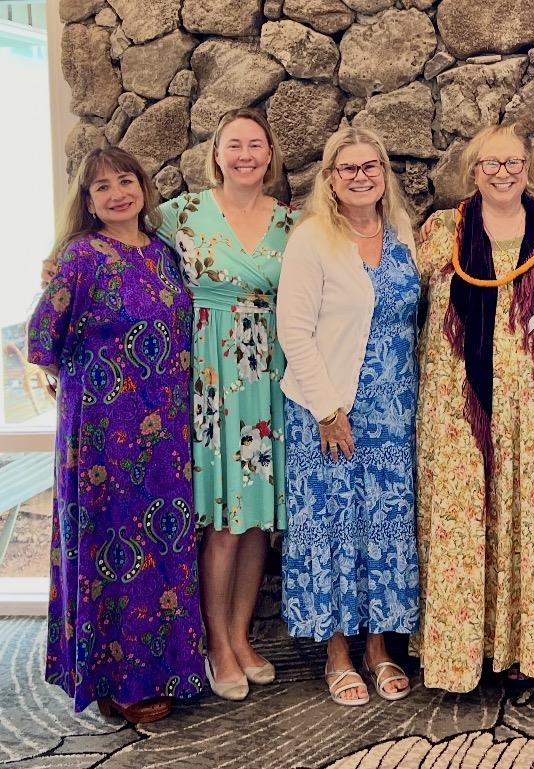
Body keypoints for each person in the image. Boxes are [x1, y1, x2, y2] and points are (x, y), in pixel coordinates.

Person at [412, 124, 534, 692]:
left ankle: (528, 646)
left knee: (528, 515)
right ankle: (465, 646)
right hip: (459, 404)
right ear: (472, 171)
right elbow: (389, 297)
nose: (502, 172)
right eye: (489, 163)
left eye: (513, 162)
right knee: (468, 514)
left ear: (529, 167)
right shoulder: (442, 231)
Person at [29, 147, 204, 722]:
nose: (117, 194)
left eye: (125, 180)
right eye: (101, 187)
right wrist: (73, 380)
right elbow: (41, 340)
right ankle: (117, 677)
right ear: (88, 202)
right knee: (113, 552)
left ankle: (169, 669)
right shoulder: (80, 258)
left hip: (166, 436)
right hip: (103, 436)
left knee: (163, 549)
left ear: (143, 187)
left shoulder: (164, 253)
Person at [277, 126, 420, 705]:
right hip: (329, 407)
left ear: (384, 176)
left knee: (385, 527)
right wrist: (328, 408)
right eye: (348, 169)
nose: (361, 177)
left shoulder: (403, 235)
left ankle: (380, 647)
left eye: (371, 167)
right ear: (330, 181)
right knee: (334, 527)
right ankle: (337, 653)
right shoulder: (313, 239)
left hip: (395, 409)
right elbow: (294, 329)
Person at [157, 108, 297, 700]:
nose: (245, 155)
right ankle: (215, 642)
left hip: (268, 375)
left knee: (258, 518)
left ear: (270, 156)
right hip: (209, 376)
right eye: (233, 145)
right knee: (220, 520)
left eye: (256, 145)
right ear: (216, 154)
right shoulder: (180, 214)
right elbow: (125, 251)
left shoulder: (291, 223)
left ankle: (241, 636)